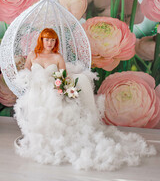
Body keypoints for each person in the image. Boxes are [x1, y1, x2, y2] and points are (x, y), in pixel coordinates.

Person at [14, 28, 156, 171]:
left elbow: (63, 78)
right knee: (37, 100)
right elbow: (25, 73)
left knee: (55, 103)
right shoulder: (33, 55)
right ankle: (38, 135)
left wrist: (64, 89)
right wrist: (29, 80)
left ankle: (54, 137)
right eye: (46, 39)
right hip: (36, 90)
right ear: (41, 40)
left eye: (52, 40)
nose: (49, 43)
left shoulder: (57, 58)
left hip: (52, 90)